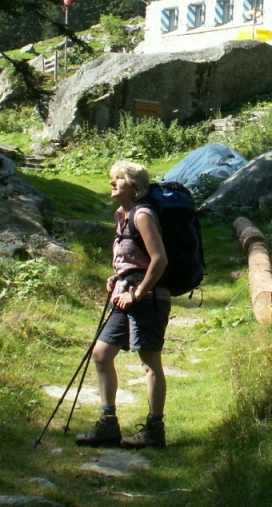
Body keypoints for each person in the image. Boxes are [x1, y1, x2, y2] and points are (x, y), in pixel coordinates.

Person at [76, 160, 170, 449]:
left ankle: (155, 430)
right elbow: (133, 259)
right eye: (112, 178)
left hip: (148, 298)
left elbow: (159, 260)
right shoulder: (122, 215)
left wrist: (137, 292)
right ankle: (108, 424)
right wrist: (117, 278)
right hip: (124, 295)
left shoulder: (142, 215)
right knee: (102, 354)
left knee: (149, 362)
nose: (112, 183)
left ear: (136, 188)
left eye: (119, 179)